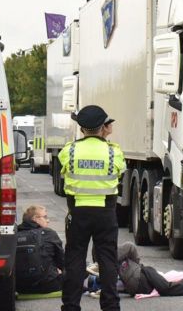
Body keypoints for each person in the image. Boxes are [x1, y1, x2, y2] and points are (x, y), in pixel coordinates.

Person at [58, 105, 125, 311]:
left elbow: (63, 170)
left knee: (75, 259)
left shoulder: (69, 150)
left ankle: (71, 306)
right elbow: (119, 172)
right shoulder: (113, 151)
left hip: (78, 212)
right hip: (105, 212)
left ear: (81, 128)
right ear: (103, 127)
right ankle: (110, 306)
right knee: (107, 259)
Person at [117, 242, 183, 297]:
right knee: (128, 251)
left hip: (140, 281)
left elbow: (165, 287)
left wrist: (147, 270)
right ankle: (113, 280)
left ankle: (108, 266)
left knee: (127, 249)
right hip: (141, 280)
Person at [16, 204, 65, 294]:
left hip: (20, 287)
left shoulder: (14, 235)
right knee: (77, 268)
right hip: (48, 285)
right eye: (45, 217)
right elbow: (62, 261)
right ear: (35, 218)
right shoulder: (49, 233)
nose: (48, 220)